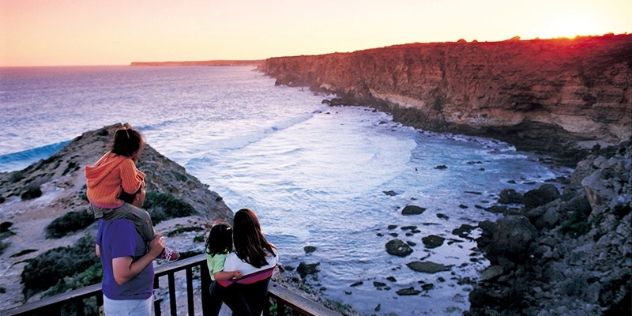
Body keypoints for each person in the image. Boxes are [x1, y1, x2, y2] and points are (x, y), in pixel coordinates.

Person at [85, 123, 178, 262]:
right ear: (134, 150)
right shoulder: (126, 163)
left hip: (94, 202)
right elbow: (131, 189)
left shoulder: (109, 156)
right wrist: (140, 181)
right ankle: (158, 249)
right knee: (143, 216)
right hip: (108, 206)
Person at [96, 183, 165, 316]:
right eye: (143, 189)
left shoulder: (107, 216)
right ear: (137, 196)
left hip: (119, 299)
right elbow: (122, 276)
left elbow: (99, 251)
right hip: (129, 303)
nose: (145, 192)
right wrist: (153, 253)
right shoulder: (124, 225)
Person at [208, 208, 278, 316]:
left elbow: (216, 290)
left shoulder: (233, 261)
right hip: (258, 310)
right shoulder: (273, 253)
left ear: (237, 232)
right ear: (257, 226)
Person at [205, 219, 243, 315]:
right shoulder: (220, 256)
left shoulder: (210, 247)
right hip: (219, 284)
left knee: (214, 308)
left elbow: (215, 234)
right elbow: (218, 275)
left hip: (212, 281)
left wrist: (216, 226)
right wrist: (233, 273)